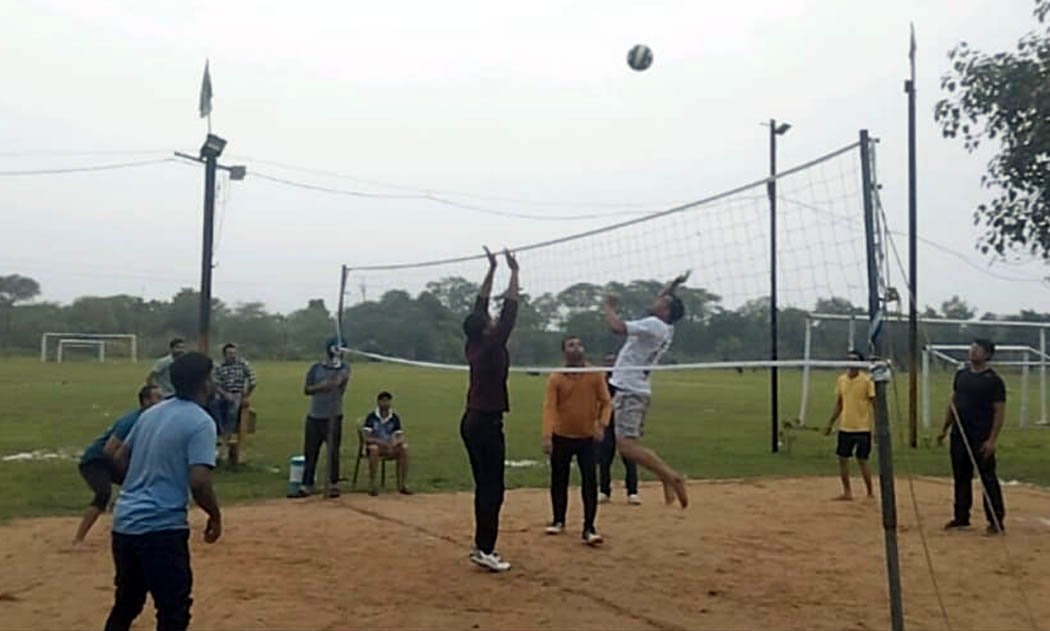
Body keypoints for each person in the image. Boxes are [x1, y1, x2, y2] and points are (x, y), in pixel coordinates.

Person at [105, 352, 222, 631]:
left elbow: (120, 457)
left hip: (125, 523)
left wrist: (137, 485)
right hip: (162, 528)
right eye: (212, 376)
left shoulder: (152, 414)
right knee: (173, 609)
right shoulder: (201, 422)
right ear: (204, 383)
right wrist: (215, 516)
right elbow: (199, 481)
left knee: (127, 603)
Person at [603, 272, 690, 508]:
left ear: (666, 310)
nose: (656, 300)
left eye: (661, 302)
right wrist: (674, 285)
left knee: (626, 446)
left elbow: (617, 327)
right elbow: (664, 297)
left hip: (629, 389)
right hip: (633, 387)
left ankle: (671, 476)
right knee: (625, 443)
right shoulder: (667, 328)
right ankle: (665, 477)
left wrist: (608, 307)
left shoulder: (653, 324)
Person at [461, 247, 518, 572]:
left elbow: (479, 306)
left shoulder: (474, 342)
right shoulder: (491, 345)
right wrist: (514, 273)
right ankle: (485, 548)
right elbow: (510, 312)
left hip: (472, 420)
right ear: (485, 328)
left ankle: (482, 544)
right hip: (485, 423)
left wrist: (492, 268)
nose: (493, 320)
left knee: (486, 485)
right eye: (489, 322)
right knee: (492, 488)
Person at [72, 385, 163, 545]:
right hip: (96, 461)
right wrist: (128, 471)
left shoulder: (153, 420)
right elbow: (109, 450)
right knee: (103, 493)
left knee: (147, 485)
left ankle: (146, 528)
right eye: (158, 398)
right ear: (146, 401)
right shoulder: (132, 420)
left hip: (113, 459)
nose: (163, 402)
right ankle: (79, 538)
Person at [542, 335, 611, 545]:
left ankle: (589, 527)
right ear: (564, 351)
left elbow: (606, 402)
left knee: (590, 482)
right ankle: (559, 520)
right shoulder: (556, 377)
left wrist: (602, 424)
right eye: (571, 345)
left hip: (587, 437)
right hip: (561, 435)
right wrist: (547, 435)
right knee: (558, 480)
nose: (577, 348)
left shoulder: (594, 374)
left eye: (579, 344)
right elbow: (550, 408)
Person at [938, 338, 1007, 535]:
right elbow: (953, 402)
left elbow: (999, 411)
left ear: (987, 354)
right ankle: (961, 517)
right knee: (961, 477)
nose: (973, 352)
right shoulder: (961, 375)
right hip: (959, 435)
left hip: (981, 436)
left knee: (987, 478)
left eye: (977, 349)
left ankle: (995, 520)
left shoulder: (993, 380)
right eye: (972, 348)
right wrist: (944, 429)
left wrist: (992, 440)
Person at [298, 338, 351, 498]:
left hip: (333, 416)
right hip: (315, 416)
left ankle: (334, 483)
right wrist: (322, 386)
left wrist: (326, 384)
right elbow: (307, 389)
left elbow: (338, 382)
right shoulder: (316, 368)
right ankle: (307, 484)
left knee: (333, 451)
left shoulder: (344, 368)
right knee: (310, 451)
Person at [823, 350, 875, 500]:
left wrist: (878, 429)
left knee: (862, 459)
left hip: (862, 428)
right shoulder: (842, 380)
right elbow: (839, 404)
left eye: (854, 360)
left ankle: (870, 492)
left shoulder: (867, 381)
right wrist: (831, 423)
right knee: (842, 458)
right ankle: (847, 492)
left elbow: (875, 404)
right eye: (849, 360)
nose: (851, 364)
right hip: (845, 427)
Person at [596, 352, 640, 505]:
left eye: (613, 362)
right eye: (607, 362)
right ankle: (604, 491)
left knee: (629, 457)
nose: (610, 365)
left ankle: (632, 492)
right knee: (604, 458)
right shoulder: (601, 381)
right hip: (607, 422)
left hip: (623, 422)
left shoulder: (624, 381)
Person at [362, 390, 412, 496]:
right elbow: (367, 437)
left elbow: (400, 436)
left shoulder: (394, 417)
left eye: (388, 401)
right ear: (378, 402)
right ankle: (373, 484)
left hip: (390, 446)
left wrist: (395, 442)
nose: (385, 403)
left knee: (404, 448)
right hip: (376, 447)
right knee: (374, 449)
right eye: (383, 401)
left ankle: (402, 484)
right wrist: (381, 442)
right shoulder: (371, 417)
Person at [213, 342, 257, 446]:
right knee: (213, 403)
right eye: (230, 353)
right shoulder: (219, 366)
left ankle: (226, 436)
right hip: (222, 393)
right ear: (224, 355)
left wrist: (246, 396)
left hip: (237, 393)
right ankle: (219, 430)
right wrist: (224, 394)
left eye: (234, 353)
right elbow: (215, 384)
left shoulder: (243, 364)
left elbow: (253, 381)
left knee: (233, 408)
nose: (232, 356)